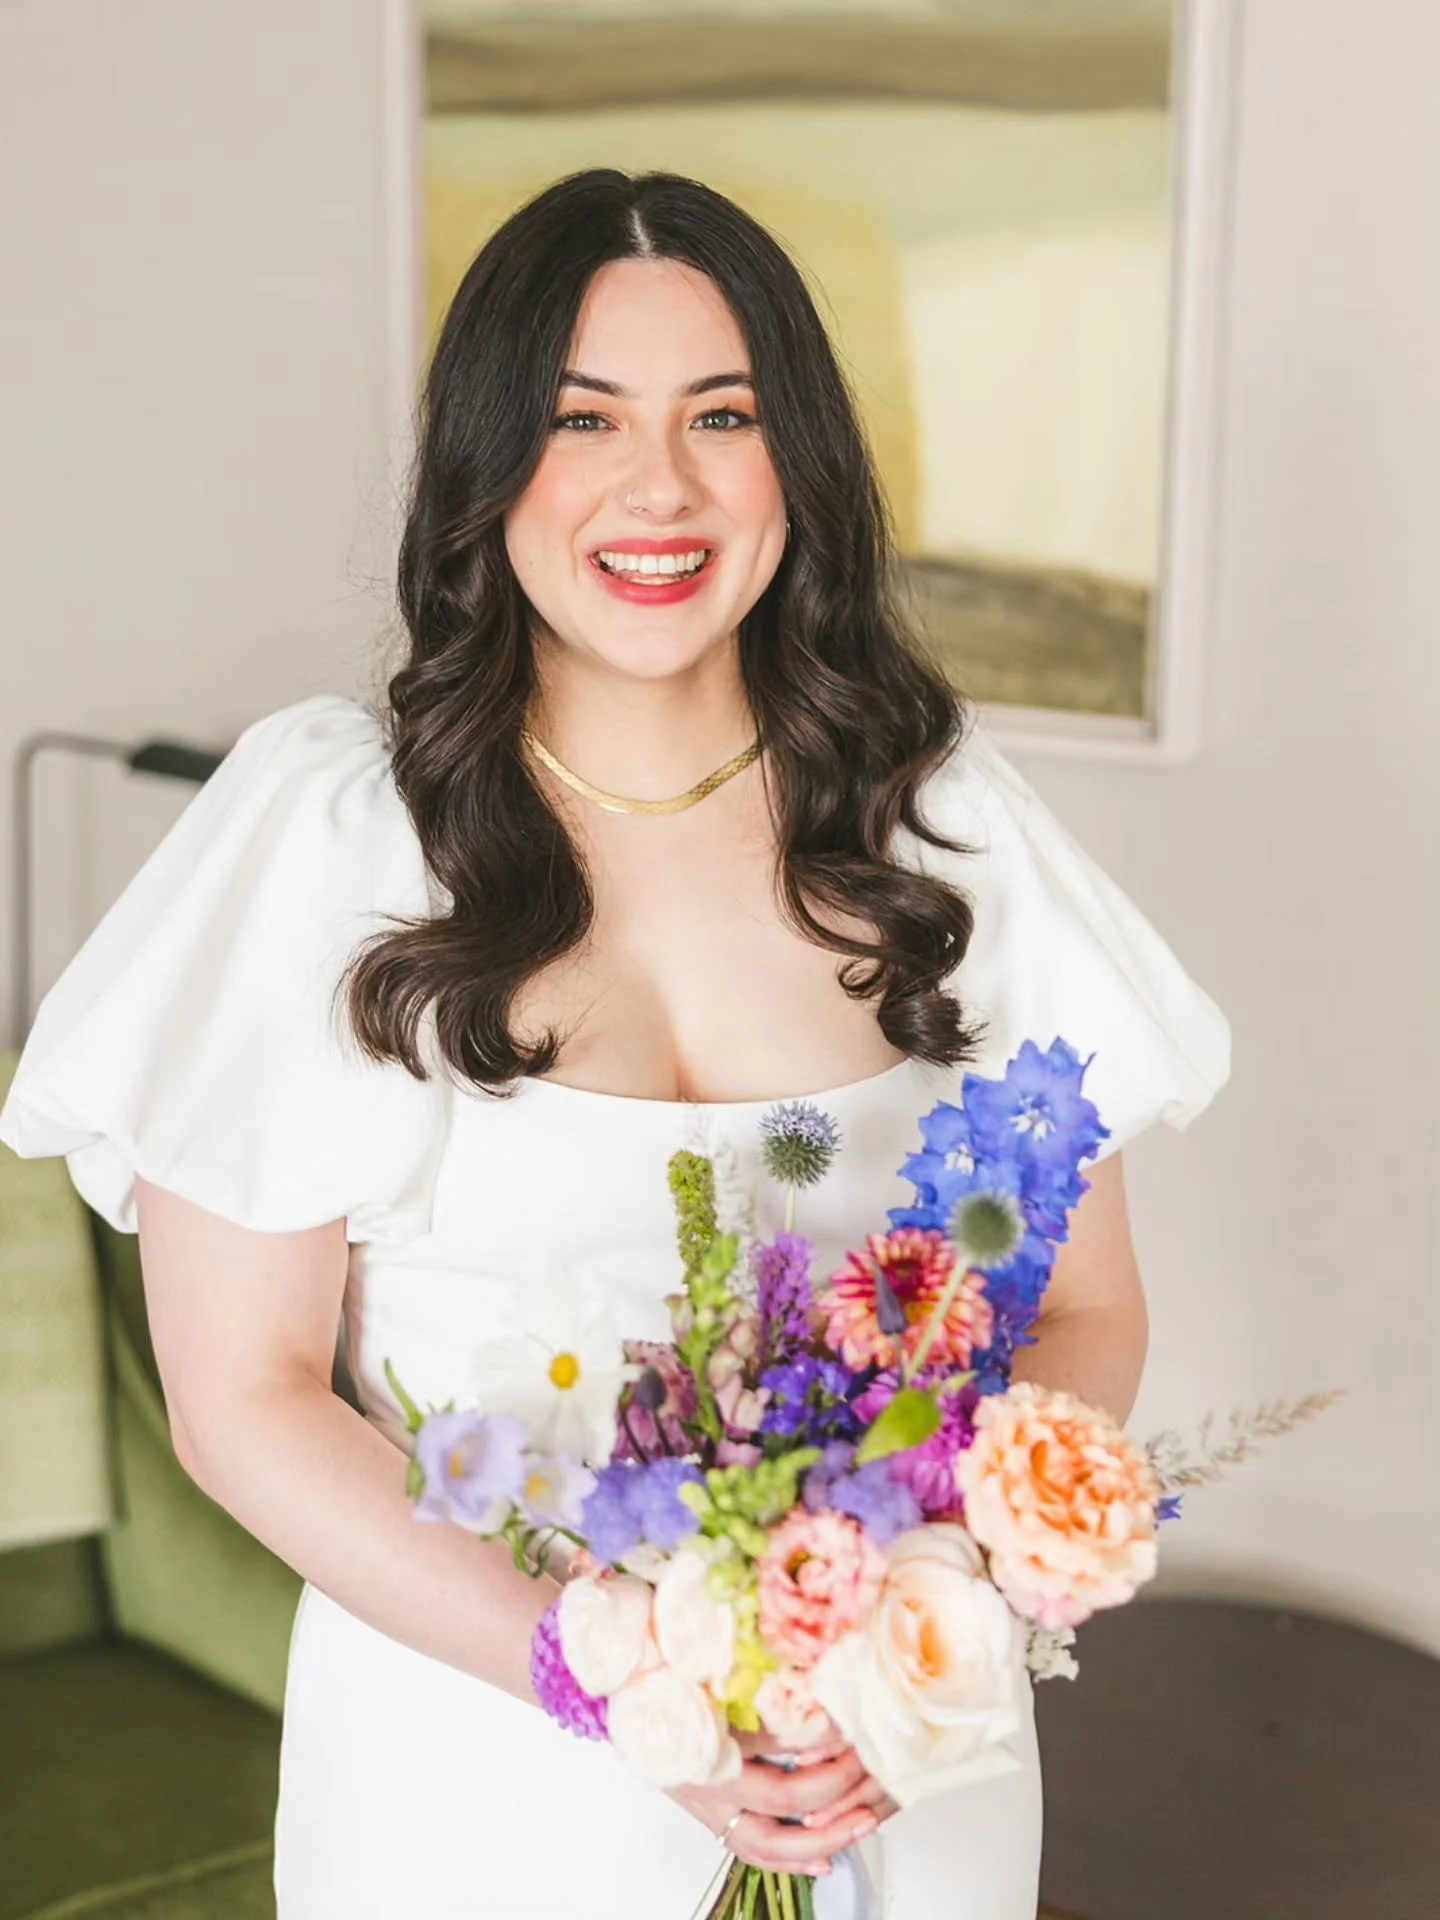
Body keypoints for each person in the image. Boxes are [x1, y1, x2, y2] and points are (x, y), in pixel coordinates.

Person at [0, 169, 1230, 1918]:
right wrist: (629, 1687)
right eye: (586, 420)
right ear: (490, 465)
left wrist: (929, 1620)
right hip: (483, 1763)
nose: (660, 485)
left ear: (794, 458)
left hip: (890, 1748)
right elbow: (244, 1405)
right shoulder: (330, 832)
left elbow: (1087, 1307)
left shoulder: (941, 822)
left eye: (720, 414)